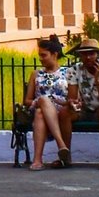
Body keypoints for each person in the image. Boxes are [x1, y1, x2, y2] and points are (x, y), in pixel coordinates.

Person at [23, 36, 73, 170]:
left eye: (44, 55)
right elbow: (27, 100)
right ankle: (61, 145)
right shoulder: (36, 74)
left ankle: (37, 160)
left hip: (60, 111)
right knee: (42, 104)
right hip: (38, 106)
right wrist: (39, 101)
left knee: (41, 112)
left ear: (55, 54)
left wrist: (55, 101)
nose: (40, 58)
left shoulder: (68, 73)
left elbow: (73, 98)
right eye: (39, 55)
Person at [68, 42, 99, 168]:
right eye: (84, 54)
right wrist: (73, 102)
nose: (88, 57)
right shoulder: (74, 70)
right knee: (65, 113)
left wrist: (98, 80)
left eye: (91, 53)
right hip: (85, 109)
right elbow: (72, 97)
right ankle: (65, 155)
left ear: (98, 55)